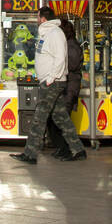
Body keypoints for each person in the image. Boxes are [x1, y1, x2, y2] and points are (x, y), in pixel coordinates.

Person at [11, 7, 86, 163]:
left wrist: (51, 77)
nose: (37, 20)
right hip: (49, 81)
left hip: (52, 82)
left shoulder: (55, 33)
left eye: (38, 17)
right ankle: (78, 150)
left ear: (43, 18)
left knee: (39, 117)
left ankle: (30, 154)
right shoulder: (46, 33)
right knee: (60, 117)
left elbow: (60, 57)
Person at [47, 17, 83, 158]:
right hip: (65, 86)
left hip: (69, 87)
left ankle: (70, 148)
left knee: (62, 118)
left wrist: (57, 64)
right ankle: (62, 147)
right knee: (56, 119)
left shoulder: (71, 45)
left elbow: (72, 65)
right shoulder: (66, 44)